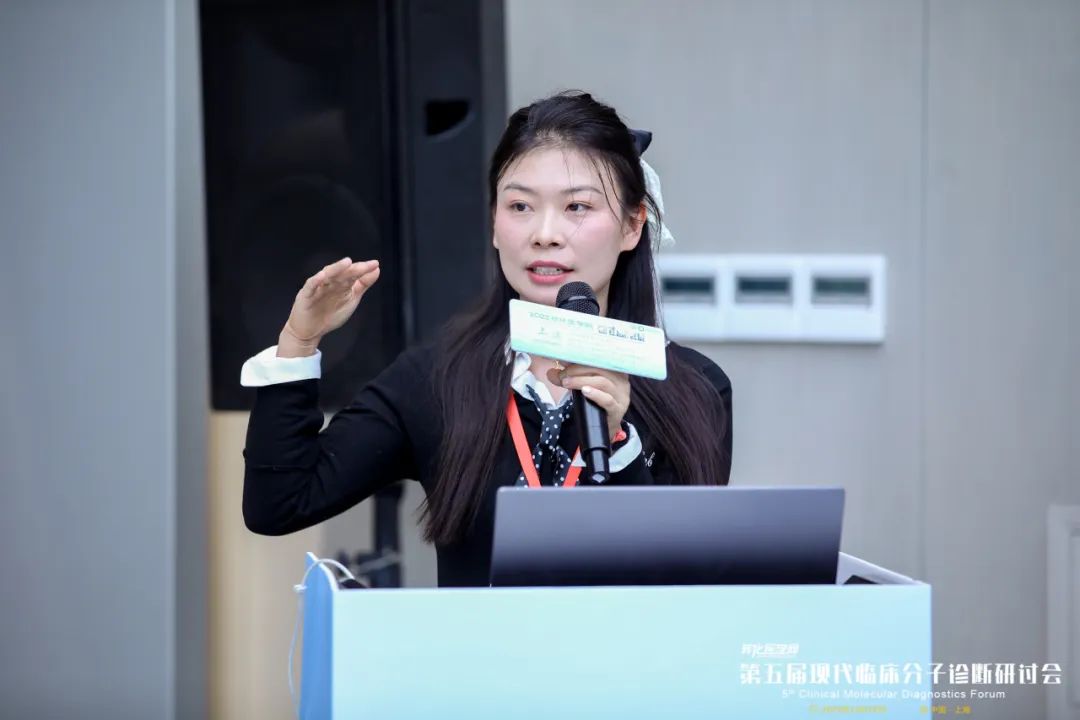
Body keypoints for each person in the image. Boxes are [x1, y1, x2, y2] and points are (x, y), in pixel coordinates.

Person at [240, 91, 733, 587]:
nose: (545, 233)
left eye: (577, 206)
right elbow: (281, 503)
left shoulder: (691, 388)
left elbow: (689, 584)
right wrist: (299, 342)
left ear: (632, 225)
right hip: (475, 642)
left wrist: (618, 441)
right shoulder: (439, 379)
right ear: (495, 224)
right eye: (520, 206)